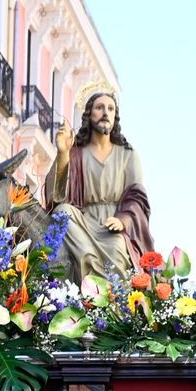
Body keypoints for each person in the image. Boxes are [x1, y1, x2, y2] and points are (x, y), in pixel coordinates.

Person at [49, 91, 152, 279]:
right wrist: (63, 153)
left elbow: (137, 198)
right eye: (99, 107)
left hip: (113, 226)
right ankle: (89, 270)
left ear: (115, 117)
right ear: (89, 115)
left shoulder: (128, 155)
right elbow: (55, 196)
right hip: (83, 224)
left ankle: (107, 296)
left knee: (117, 249)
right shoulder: (76, 154)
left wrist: (123, 220)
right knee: (62, 212)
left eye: (110, 109)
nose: (105, 112)